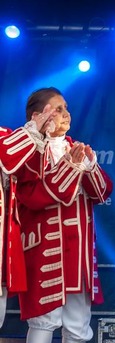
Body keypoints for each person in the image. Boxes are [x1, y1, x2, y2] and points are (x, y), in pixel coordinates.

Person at [12, 87, 113, 343]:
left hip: (78, 251)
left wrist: (89, 165)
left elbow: (102, 191)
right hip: (44, 250)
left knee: (78, 323)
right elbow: (36, 197)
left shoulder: (76, 148)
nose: (65, 113)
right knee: (43, 321)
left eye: (66, 107)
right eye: (57, 108)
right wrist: (71, 167)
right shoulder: (28, 152)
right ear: (37, 116)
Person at [0, 113, 50, 329]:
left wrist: (40, 136)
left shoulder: (5, 136)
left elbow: (30, 178)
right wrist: (31, 132)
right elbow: (6, 157)